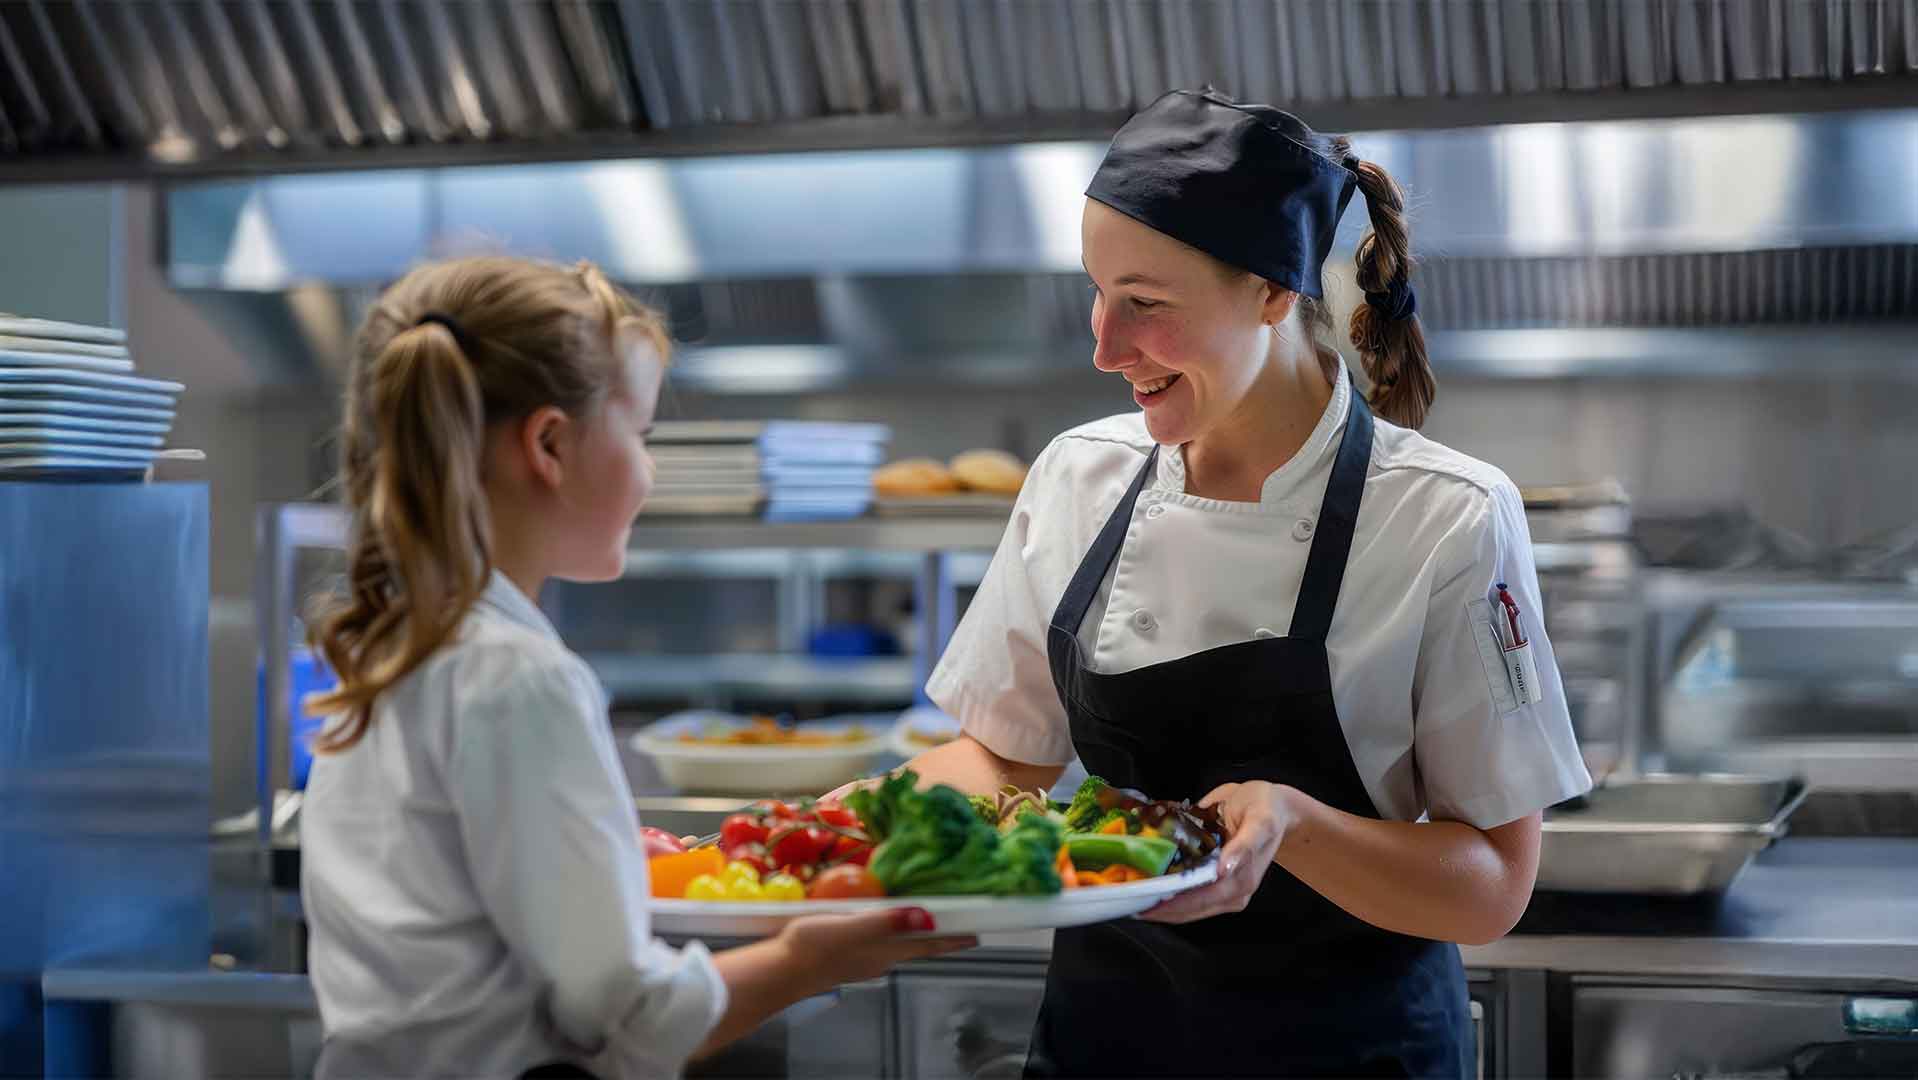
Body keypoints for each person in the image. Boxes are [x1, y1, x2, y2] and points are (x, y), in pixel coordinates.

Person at [880, 89, 1593, 1077]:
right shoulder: (1077, 478)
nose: (1103, 346)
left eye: (1146, 303)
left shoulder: (1444, 515)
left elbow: (1491, 887)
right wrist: (833, 830)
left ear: (1270, 290)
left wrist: (1294, 824)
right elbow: (1003, 764)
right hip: (1101, 1050)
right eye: (1096, 292)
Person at [299, 255, 972, 1080]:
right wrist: (811, 958)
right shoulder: (519, 677)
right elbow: (622, 1014)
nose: (648, 470)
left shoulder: (389, 647)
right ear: (548, 443)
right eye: (641, 434)